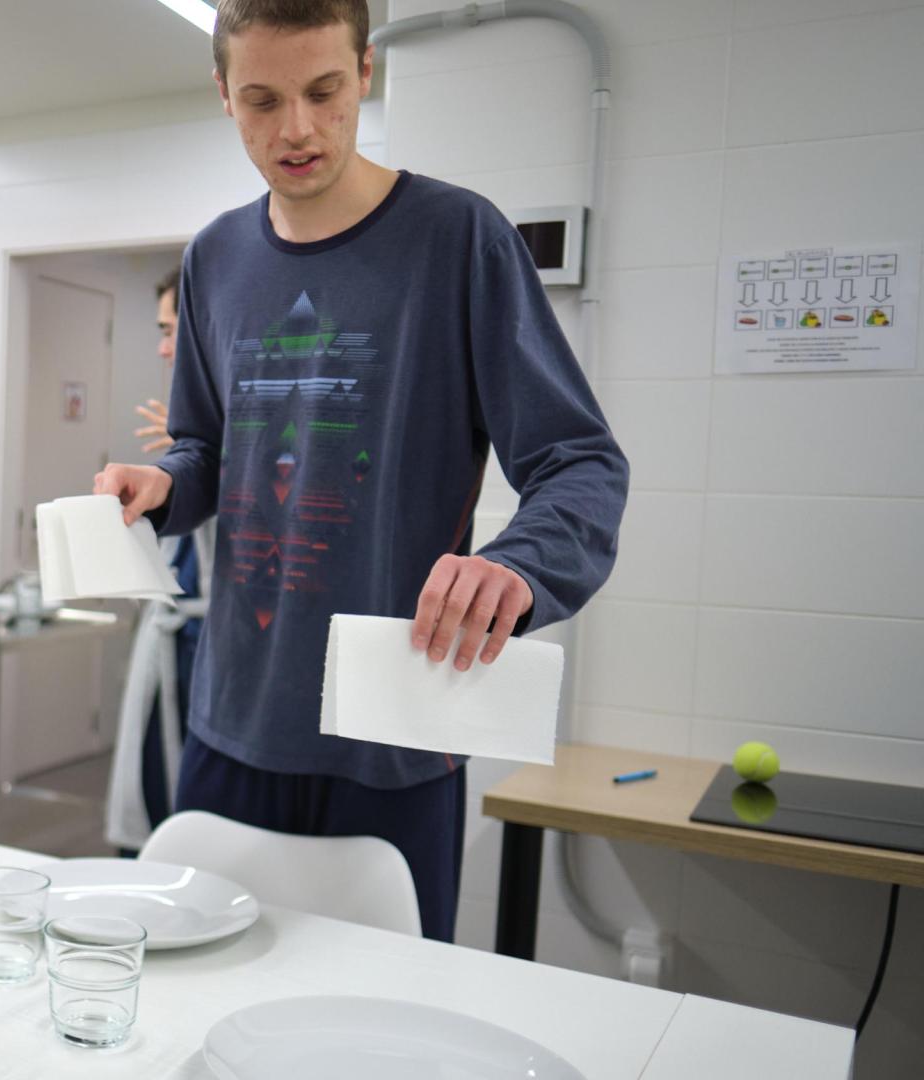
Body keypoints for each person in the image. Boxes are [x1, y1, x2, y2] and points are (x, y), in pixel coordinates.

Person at [94, 0, 629, 941]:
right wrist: (167, 485)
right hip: (235, 718)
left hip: (394, 727)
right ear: (224, 94)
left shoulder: (458, 238)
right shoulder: (215, 257)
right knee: (199, 996)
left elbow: (579, 461)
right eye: (262, 101)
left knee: (380, 1010)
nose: (296, 129)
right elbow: (206, 446)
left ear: (365, 73)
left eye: (324, 91)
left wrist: (517, 564)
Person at [106, 267, 215, 851]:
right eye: (162, 331)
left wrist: (201, 459)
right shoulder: (188, 421)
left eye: (173, 330)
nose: (164, 348)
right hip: (178, 628)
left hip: (211, 640)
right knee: (155, 786)